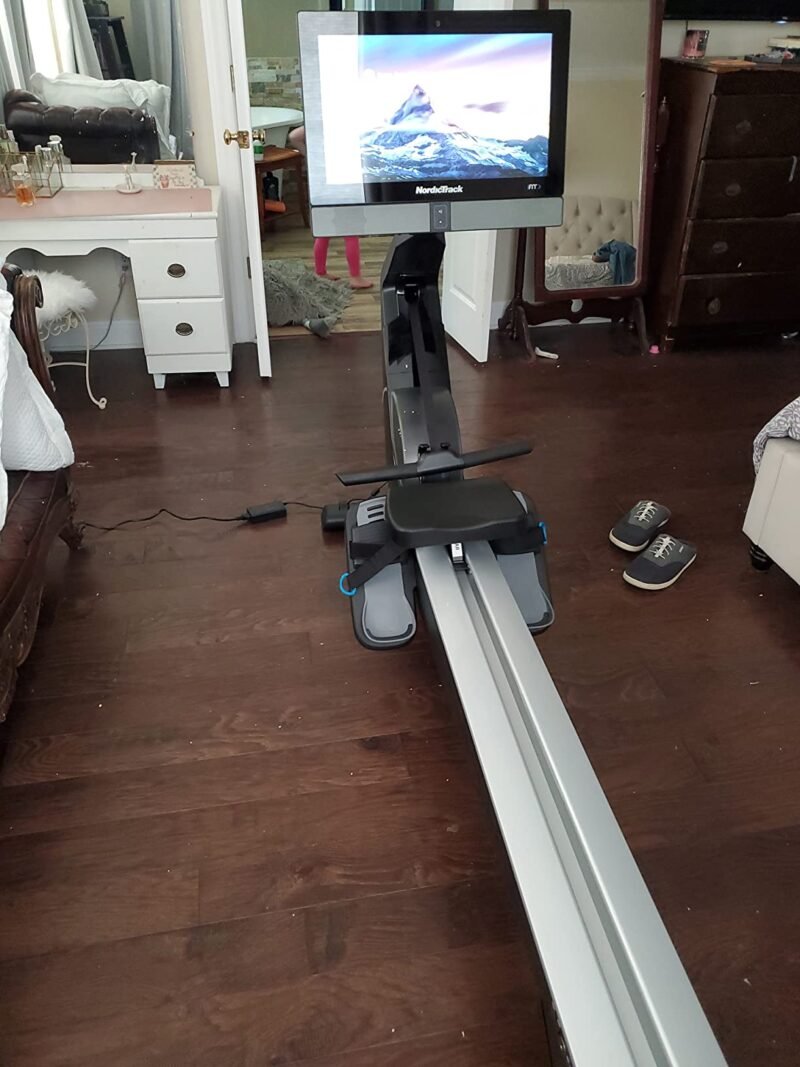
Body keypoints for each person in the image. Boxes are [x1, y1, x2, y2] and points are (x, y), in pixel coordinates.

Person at [288, 125, 373, 290]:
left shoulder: (319, 122)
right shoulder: (345, 124)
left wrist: (309, 155)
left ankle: (320, 272)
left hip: (323, 183)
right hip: (344, 182)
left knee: (324, 231)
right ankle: (355, 277)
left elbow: (293, 136)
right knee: (351, 232)